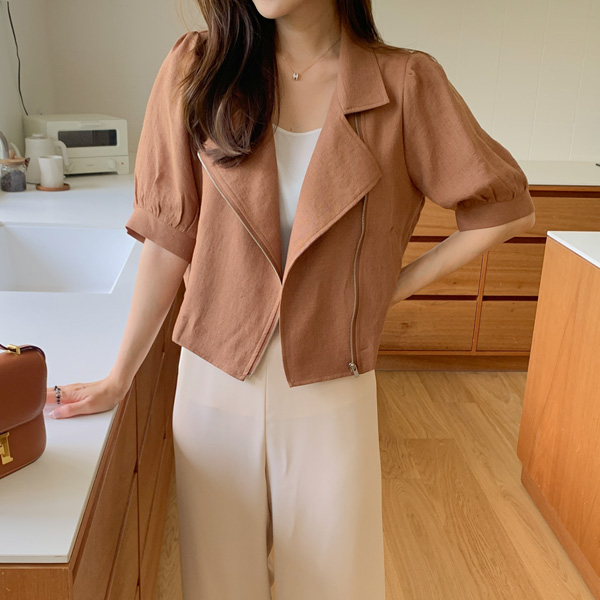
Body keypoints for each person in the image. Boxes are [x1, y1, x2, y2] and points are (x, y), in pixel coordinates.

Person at [46, 0, 536, 598]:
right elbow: (169, 237)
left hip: (332, 383)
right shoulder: (200, 68)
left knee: (335, 586)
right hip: (213, 381)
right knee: (220, 589)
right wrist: (118, 377)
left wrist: (386, 289)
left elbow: (504, 209)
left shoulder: (404, 83)